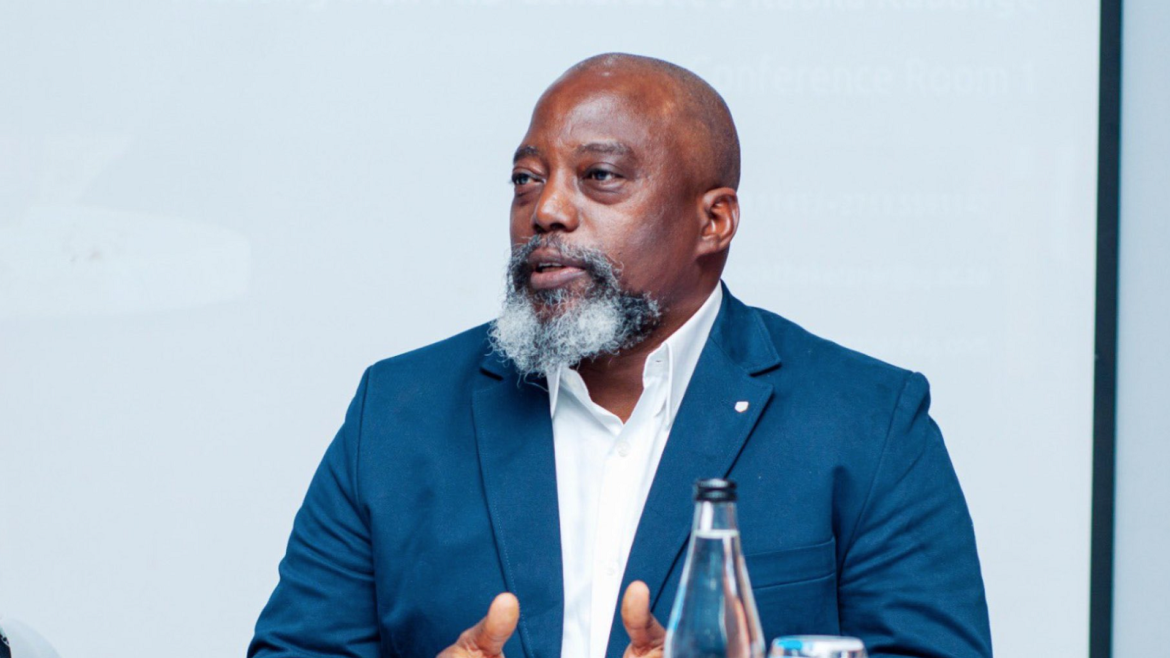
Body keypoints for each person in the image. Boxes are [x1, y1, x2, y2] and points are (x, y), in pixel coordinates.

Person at [248, 53, 992, 658]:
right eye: (527, 179)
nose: (547, 210)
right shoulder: (397, 413)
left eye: (599, 176)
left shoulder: (868, 422)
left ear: (714, 220)